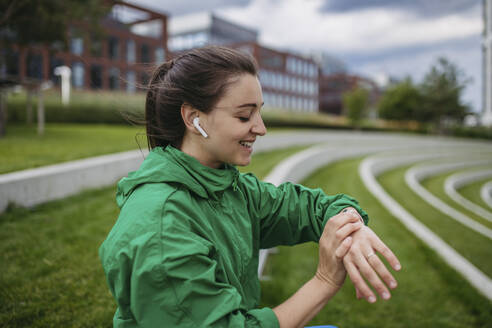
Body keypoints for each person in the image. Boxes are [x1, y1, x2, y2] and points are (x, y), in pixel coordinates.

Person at [99, 46, 401, 328]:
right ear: (194, 119)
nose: (261, 128)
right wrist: (324, 280)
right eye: (244, 115)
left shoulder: (230, 186)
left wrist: (350, 223)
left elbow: (308, 207)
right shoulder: (161, 232)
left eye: (259, 112)